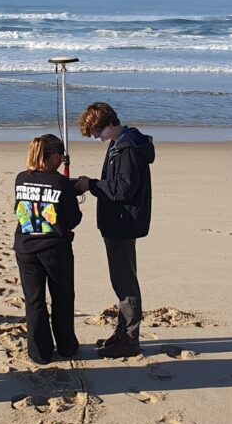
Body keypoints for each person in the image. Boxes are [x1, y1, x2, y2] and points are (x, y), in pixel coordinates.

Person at [76, 102, 155, 359]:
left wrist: (92, 185)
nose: (96, 138)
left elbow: (122, 189)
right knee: (120, 280)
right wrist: (95, 184)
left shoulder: (128, 147)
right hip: (117, 222)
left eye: (97, 133)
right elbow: (116, 184)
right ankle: (123, 333)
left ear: (109, 124)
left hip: (123, 223)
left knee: (124, 282)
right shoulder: (119, 143)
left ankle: (130, 340)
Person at [13, 134, 82, 364]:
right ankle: (66, 346)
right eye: (60, 157)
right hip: (54, 249)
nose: (62, 161)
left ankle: (39, 351)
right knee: (62, 297)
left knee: (34, 300)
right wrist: (70, 193)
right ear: (53, 156)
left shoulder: (21, 178)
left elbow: (21, 207)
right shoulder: (60, 183)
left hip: (26, 246)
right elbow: (72, 219)